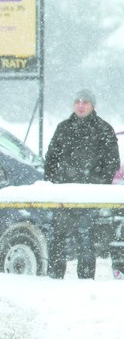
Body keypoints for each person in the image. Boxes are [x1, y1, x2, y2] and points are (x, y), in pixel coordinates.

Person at [44, 89, 120, 280]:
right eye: (77, 101)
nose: (80, 105)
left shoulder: (103, 129)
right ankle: (54, 278)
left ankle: (85, 282)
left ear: (92, 105)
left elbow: (112, 163)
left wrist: (97, 186)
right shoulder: (63, 128)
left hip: (89, 196)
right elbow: (51, 159)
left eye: (85, 102)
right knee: (57, 238)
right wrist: (55, 182)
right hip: (64, 194)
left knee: (86, 240)